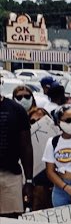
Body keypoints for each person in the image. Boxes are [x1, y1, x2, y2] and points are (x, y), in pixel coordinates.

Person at [0, 87, 33, 216]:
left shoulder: (16, 110)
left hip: (10, 176)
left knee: (11, 222)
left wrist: (29, 181)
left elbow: (26, 147)